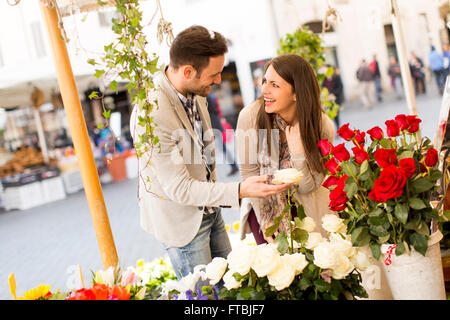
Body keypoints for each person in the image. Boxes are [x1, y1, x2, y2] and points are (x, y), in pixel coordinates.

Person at [130, 25, 292, 283]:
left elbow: (203, 157)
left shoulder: (194, 91)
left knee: (231, 287)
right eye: (214, 74)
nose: (219, 80)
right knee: (205, 298)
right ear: (187, 71)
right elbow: (180, 189)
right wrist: (240, 190)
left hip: (210, 210)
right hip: (183, 225)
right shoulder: (151, 113)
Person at [236, 54, 336, 244]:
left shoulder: (322, 126)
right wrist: (266, 221)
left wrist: (298, 153)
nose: (264, 89)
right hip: (262, 209)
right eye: (264, 81)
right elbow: (249, 173)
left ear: (296, 92)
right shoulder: (250, 117)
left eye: (274, 85)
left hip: (304, 208)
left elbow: (309, 186)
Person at [206, 92, 239, 176]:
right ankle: (234, 166)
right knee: (221, 148)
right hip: (215, 123)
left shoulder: (208, 97)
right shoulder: (212, 95)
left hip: (213, 124)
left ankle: (234, 166)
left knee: (220, 148)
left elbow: (212, 110)